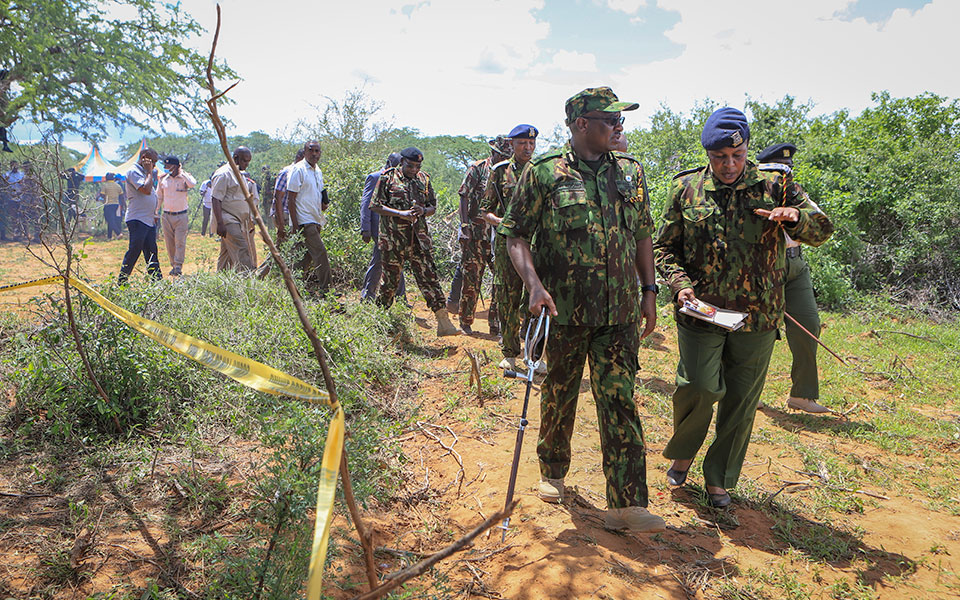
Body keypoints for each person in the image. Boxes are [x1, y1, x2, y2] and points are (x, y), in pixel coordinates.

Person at [500, 87, 664, 532]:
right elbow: (515, 235)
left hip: (620, 313)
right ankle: (553, 470)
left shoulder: (631, 172)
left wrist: (649, 291)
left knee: (620, 399)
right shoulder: (544, 173)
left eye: (619, 120)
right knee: (559, 394)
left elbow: (643, 234)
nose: (618, 127)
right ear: (579, 124)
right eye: (608, 120)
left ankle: (626, 504)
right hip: (564, 311)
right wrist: (532, 285)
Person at [653, 108, 834, 508]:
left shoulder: (777, 185)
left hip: (758, 315)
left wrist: (795, 219)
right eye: (719, 158)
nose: (729, 165)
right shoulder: (686, 188)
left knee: (741, 398)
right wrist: (680, 285)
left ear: (747, 147)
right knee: (698, 386)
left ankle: (719, 479)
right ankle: (684, 451)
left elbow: (822, 228)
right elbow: (663, 247)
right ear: (708, 154)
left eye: (736, 155)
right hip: (702, 311)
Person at [756, 142, 833, 414]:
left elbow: (820, 221)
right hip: (765, 267)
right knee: (761, 332)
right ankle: (748, 393)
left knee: (808, 324)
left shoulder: (795, 192)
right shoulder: (753, 190)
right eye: (777, 170)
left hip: (795, 263)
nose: (781, 176)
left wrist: (796, 215)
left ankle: (803, 395)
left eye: (786, 170)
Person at [371, 146, 460, 337]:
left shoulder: (424, 179)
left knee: (430, 279)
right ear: (401, 162)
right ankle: (378, 322)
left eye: (417, 166)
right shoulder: (387, 178)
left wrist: (423, 211)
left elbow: (432, 206)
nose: (414, 169)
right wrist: (399, 213)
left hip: (419, 240)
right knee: (390, 283)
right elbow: (375, 205)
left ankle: (444, 323)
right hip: (394, 240)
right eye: (410, 165)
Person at [482, 125, 538, 369]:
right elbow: (485, 210)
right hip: (508, 244)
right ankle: (510, 353)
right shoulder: (500, 172)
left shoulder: (542, 171)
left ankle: (534, 354)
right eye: (522, 143)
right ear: (512, 145)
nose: (528, 148)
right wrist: (502, 222)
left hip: (537, 244)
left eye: (531, 144)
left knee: (536, 298)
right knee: (508, 296)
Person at [453, 136, 511, 334]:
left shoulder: (511, 173)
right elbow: (464, 195)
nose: (503, 158)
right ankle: (466, 322)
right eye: (501, 155)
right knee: (472, 279)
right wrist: (464, 225)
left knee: (501, 281)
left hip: (500, 235)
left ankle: (495, 324)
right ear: (493, 153)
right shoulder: (478, 168)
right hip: (476, 234)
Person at [360, 152, 407, 302]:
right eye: (397, 164)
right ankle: (395, 298)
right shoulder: (375, 177)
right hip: (378, 228)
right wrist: (365, 228)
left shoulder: (400, 180)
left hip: (393, 228)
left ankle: (371, 296)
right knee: (384, 260)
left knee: (388, 260)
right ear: (388, 163)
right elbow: (366, 204)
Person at [287, 140, 332, 294]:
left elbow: (317, 192)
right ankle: (327, 290)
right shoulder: (298, 170)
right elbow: (290, 198)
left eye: (317, 151)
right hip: (304, 221)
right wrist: (294, 224)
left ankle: (295, 288)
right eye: (311, 150)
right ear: (305, 152)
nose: (314, 154)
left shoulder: (317, 170)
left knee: (304, 257)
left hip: (316, 218)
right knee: (320, 253)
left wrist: (323, 204)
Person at [119, 148, 162, 283]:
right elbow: (146, 190)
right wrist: (149, 172)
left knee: (151, 252)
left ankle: (157, 282)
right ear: (144, 158)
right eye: (153, 162)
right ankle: (122, 281)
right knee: (134, 251)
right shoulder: (134, 171)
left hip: (148, 219)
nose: (154, 165)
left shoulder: (144, 172)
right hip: (137, 219)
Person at [211, 147, 256, 272]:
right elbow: (216, 199)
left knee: (226, 256)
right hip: (228, 220)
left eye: (248, 161)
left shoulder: (239, 173)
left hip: (239, 221)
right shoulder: (224, 174)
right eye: (244, 161)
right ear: (236, 158)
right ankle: (248, 281)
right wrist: (220, 223)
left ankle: (221, 283)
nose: (247, 164)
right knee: (242, 249)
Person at [157, 156, 196, 276]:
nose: (166, 169)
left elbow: (192, 184)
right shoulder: (163, 179)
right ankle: (173, 264)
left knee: (180, 241)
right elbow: (159, 196)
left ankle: (178, 265)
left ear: (176, 166)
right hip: (167, 215)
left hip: (181, 215)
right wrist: (156, 211)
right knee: (169, 242)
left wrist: (181, 172)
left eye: (169, 166)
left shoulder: (184, 178)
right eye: (166, 166)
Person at [98, 173, 125, 239]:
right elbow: (121, 196)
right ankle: (109, 236)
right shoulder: (117, 185)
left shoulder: (105, 186)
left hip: (108, 204)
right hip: (116, 204)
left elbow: (102, 195)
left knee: (109, 220)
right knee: (112, 219)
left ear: (106, 178)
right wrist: (124, 205)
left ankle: (118, 233)